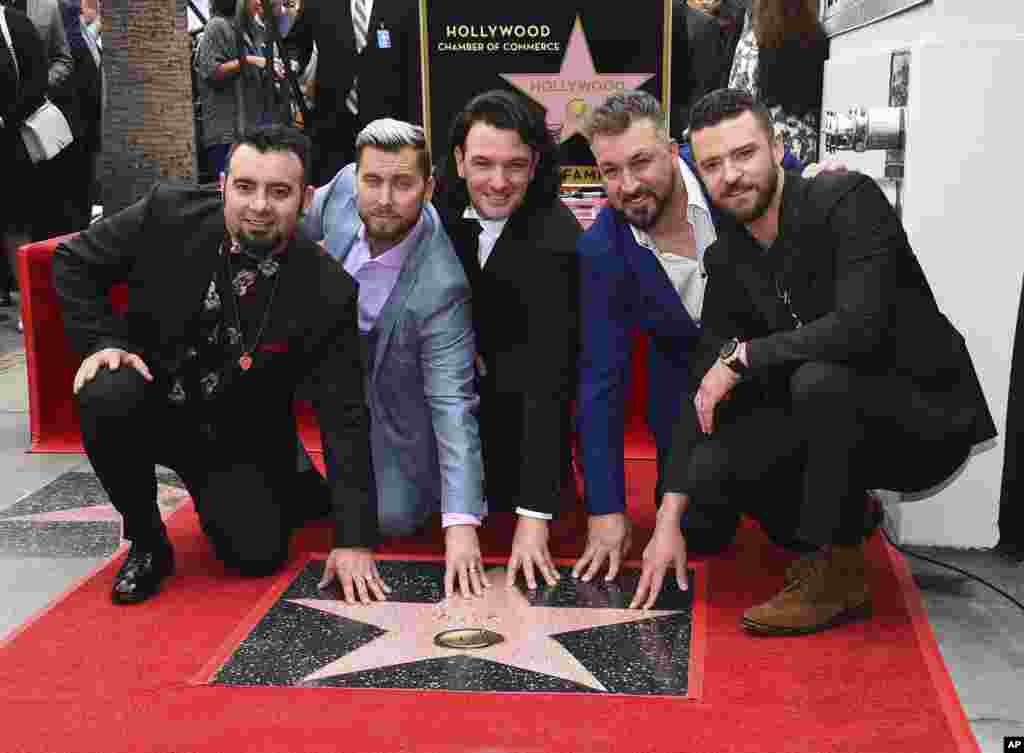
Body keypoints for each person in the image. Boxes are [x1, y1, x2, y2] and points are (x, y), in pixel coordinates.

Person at [629, 89, 996, 634]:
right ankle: (838, 521)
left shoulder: (847, 199)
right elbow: (703, 380)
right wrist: (669, 515)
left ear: (777, 148)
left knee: (818, 380)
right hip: (837, 418)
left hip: (927, 419)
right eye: (712, 164)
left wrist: (746, 356)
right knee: (716, 448)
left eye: (744, 153)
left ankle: (836, 571)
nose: (730, 175)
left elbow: (860, 327)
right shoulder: (728, 257)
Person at [53, 124, 376, 606]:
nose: (260, 206)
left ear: (306, 199)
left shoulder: (328, 288)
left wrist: (352, 539)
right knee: (106, 386)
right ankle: (147, 542)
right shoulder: (168, 212)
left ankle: (289, 476)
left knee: (256, 556)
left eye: (279, 192)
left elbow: (343, 412)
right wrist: (102, 341)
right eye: (245, 187)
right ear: (223, 184)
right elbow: (73, 260)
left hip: (236, 434)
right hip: (152, 402)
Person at [301, 118, 487, 600]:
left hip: (389, 396)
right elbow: (294, 221)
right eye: (373, 180)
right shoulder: (343, 189)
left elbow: (452, 403)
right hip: (319, 355)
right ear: (356, 176)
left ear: (428, 187)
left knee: (395, 518)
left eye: (402, 183)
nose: (384, 197)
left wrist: (461, 525)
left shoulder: (442, 285)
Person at [434, 89, 581, 591]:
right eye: (482, 164)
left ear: (535, 162)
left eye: (515, 165)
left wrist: (535, 514)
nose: (498, 183)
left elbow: (551, 380)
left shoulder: (558, 237)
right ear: (458, 160)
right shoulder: (436, 214)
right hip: (450, 410)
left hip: (528, 420)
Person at [574, 90, 717, 585]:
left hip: (764, 373)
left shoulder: (726, 188)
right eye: (610, 171)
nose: (628, 185)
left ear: (674, 152)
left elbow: (774, 167)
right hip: (680, 392)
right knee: (702, 531)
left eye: (641, 162)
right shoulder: (601, 248)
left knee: (795, 527)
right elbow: (600, 381)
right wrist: (606, 509)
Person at [285, 0, 422, 185]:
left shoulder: (407, 5)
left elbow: (415, 62)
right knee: (333, 194)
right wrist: (292, 64)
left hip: (388, 123)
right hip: (332, 122)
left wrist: (415, 126)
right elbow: (296, 43)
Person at [195, 0, 291, 179]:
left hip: (251, 128)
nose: (258, 2)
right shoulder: (217, 26)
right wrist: (251, 60)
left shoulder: (250, 29)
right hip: (227, 132)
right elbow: (211, 71)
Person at [727, 0, 828, 163]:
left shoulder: (751, 43)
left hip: (767, 143)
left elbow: (735, 100)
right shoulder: (817, 37)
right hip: (806, 143)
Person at [0, 3, 47, 310]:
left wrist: (6, 118)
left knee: (16, 223)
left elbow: (37, 81)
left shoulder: (17, 25)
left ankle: (29, 305)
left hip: (11, 142)